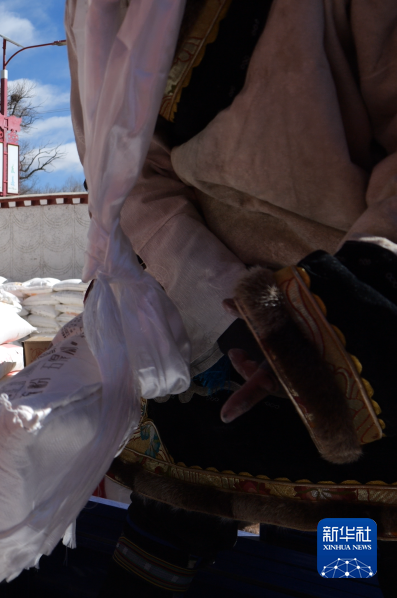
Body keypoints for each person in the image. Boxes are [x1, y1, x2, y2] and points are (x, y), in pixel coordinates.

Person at [64, 1, 397, 594]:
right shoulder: (94, 8)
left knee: (348, 545)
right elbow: (123, 172)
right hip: (204, 321)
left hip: (350, 318)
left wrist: (332, 304)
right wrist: (223, 304)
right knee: (161, 543)